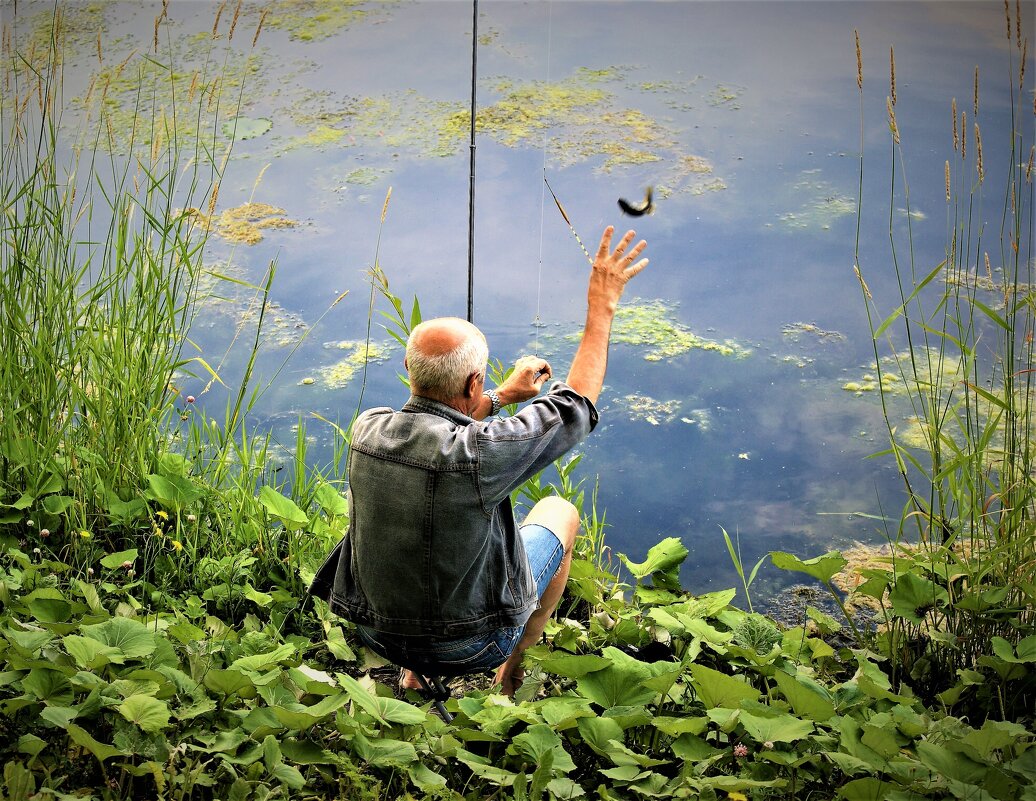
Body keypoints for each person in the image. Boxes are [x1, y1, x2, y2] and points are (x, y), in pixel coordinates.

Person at [311, 225, 648, 696]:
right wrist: (601, 306)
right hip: (470, 645)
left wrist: (500, 395)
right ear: (472, 382)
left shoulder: (367, 429)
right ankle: (509, 670)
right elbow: (575, 406)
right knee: (561, 513)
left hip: (376, 633)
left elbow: (428, 421)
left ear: (407, 369)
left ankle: (411, 672)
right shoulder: (480, 453)